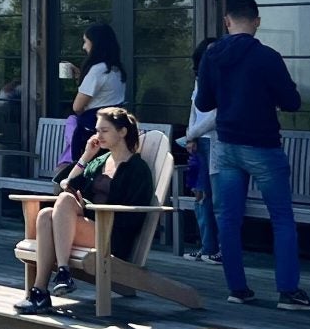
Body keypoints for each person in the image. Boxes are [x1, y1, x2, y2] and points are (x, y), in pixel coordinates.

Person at [197, 0, 310, 311]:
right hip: (262, 146)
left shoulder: (212, 56)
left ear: (227, 21)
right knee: (281, 218)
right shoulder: (267, 57)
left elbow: (203, 103)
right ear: (257, 21)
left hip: (225, 145)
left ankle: (237, 288)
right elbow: (292, 102)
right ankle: (288, 291)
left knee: (228, 219)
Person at [16, 107, 155, 314]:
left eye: (104, 131)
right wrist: (86, 156)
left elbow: (133, 218)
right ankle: (41, 291)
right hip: (88, 228)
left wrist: (88, 208)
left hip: (112, 236)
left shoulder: (137, 169)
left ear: (122, 132)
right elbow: (66, 184)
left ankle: (62, 273)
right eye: (97, 131)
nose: (98, 136)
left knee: (62, 203)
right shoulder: (99, 161)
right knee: (46, 214)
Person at [178, 37, 221, 264]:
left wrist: (192, 134)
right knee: (199, 195)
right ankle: (205, 245)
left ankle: (215, 248)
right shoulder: (199, 80)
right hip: (197, 142)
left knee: (212, 197)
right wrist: (190, 135)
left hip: (213, 141)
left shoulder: (224, 79)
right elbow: (194, 109)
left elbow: (216, 116)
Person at [62, 22, 127, 164]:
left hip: (92, 131)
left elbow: (77, 107)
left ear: (95, 43)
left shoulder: (97, 70)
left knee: (84, 173)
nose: (84, 47)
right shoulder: (116, 69)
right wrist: (80, 76)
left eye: (86, 41)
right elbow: (104, 94)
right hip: (113, 129)